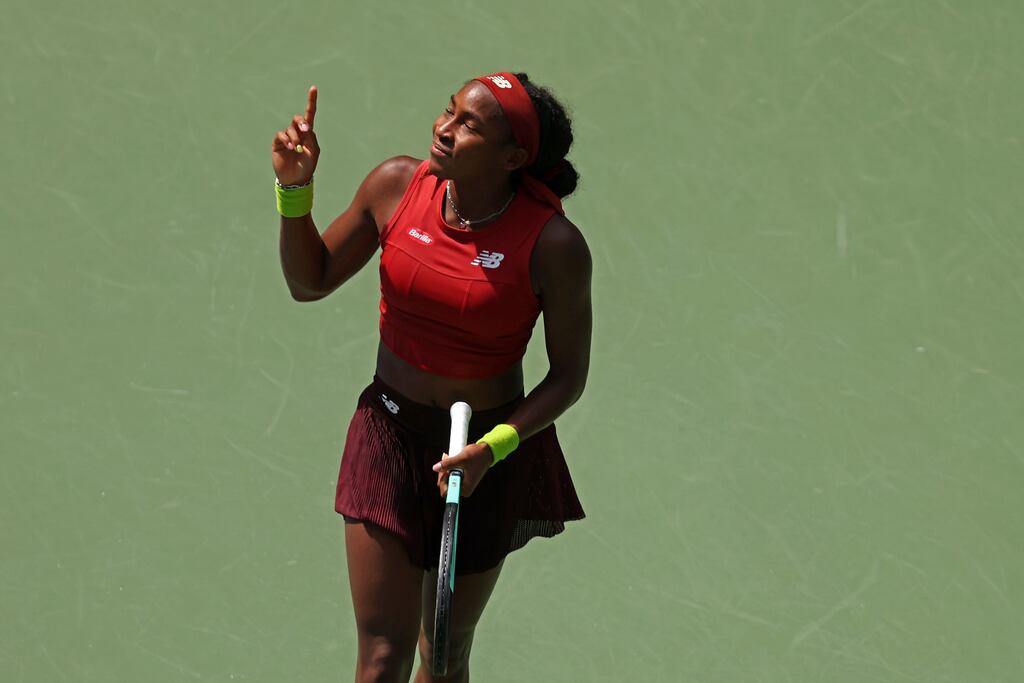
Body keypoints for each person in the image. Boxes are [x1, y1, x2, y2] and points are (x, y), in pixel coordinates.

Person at [271, 71, 591, 683]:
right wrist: (295, 191)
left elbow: (568, 376)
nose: (444, 128)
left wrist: (490, 452)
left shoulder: (553, 244)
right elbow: (309, 280)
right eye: (449, 111)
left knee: (442, 654)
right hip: (387, 434)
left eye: (470, 124)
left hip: (484, 457)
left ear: (513, 157)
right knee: (381, 657)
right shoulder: (396, 185)